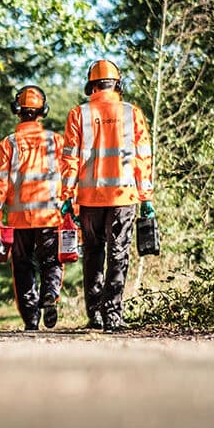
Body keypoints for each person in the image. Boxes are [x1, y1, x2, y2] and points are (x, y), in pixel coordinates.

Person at [58, 59, 155, 331]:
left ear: (91, 85)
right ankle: (113, 315)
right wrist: (146, 197)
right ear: (117, 84)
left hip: (89, 199)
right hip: (123, 197)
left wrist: (66, 196)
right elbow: (143, 158)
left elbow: (70, 161)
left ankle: (95, 313)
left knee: (93, 254)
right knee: (119, 253)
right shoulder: (131, 113)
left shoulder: (79, 114)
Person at [0, 85, 77, 330]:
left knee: (23, 266)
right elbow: (68, 174)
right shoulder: (56, 141)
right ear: (43, 111)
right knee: (51, 262)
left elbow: (1, 181)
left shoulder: (9, 143)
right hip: (50, 215)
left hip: (19, 219)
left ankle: (31, 319)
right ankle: (50, 295)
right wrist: (72, 206)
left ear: (17, 111)